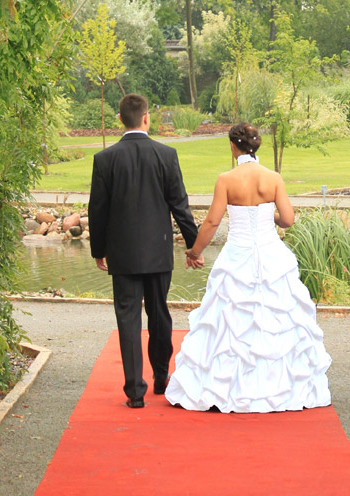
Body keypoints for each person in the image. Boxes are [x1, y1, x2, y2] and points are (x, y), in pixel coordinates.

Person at [165, 122, 331, 413]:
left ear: (233, 146)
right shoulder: (273, 178)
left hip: (237, 255)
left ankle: (227, 388)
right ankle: (277, 387)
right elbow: (288, 219)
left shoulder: (226, 179)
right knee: (275, 317)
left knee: (230, 320)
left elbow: (212, 222)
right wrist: (270, 218)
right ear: (255, 146)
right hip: (271, 254)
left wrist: (195, 252)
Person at [88, 93, 198, 408]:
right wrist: (194, 246)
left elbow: (98, 210)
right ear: (146, 118)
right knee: (159, 313)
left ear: (120, 120)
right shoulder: (166, 155)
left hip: (122, 254)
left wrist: (99, 249)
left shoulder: (105, 159)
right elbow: (180, 205)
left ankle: (135, 391)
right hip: (158, 251)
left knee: (128, 318)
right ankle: (161, 377)